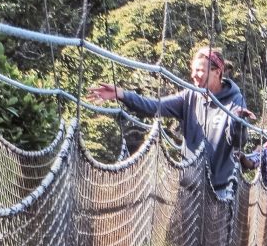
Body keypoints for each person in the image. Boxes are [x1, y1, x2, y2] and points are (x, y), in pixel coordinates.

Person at [88, 47, 255, 198]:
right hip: (190, 187)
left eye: (199, 70)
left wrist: (238, 123)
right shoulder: (189, 97)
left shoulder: (235, 101)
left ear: (217, 72)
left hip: (220, 190)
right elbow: (154, 106)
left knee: (215, 233)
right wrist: (122, 94)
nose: (193, 75)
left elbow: (237, 142)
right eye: (193, 70)